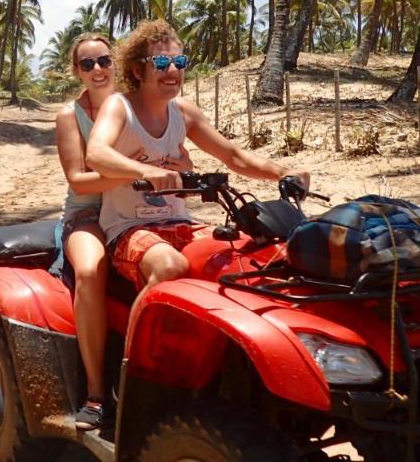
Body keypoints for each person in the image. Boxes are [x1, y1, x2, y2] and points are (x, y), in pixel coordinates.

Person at [87, 19, 310, 292]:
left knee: (246, 255)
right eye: (160, 63)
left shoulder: (184, 112)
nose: (172, 70)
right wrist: (146, 171)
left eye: (179, 62)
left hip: (181, 223)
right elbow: (96, 153)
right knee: (169, 267)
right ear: (137, 69)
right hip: (128, 228)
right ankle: (140, 334)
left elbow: (233, 156)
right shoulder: (120, 106)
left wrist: (283, 173)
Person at [54, 32, 125, 431]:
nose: (97, 70)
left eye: (103, 61)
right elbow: (79, 181)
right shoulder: (70, 115)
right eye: (87, 64)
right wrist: (136, 175)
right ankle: (96, 393)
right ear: (76, 72)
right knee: (89, 272)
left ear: (115, 62)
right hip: (87, 217)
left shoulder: (132, 105)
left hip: (133, 210)